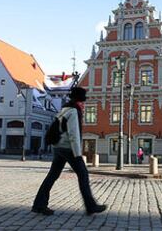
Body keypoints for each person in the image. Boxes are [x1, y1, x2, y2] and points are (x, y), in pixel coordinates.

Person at [32, 87, 107, 216]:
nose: (83, 105)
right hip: (68, 148)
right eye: (82, 102)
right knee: (83, 174)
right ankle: (90, 206)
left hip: (58, 147)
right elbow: (74, 134)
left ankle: (39, 205)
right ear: (78, 101)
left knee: (52, 176)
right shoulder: (73, 112)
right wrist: (78, 154)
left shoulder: (64, 109)